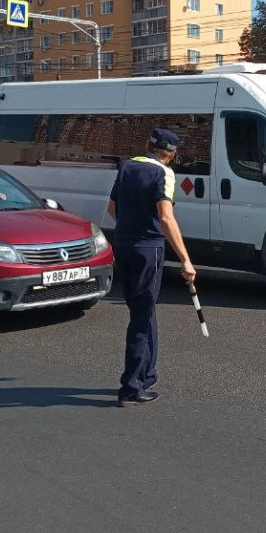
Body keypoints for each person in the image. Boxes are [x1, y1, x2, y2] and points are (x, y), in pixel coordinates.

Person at [106, 127, 196, 407]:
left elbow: (112, 208)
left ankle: (147, 374)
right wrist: (186, 260)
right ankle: (131, 386)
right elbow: (167, 219)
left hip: (123, 245)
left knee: (143, 311)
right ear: (171, 154)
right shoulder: (164, 173)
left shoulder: (127, 166)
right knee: (141, 320)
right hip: (148, 250)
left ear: (149, 145)